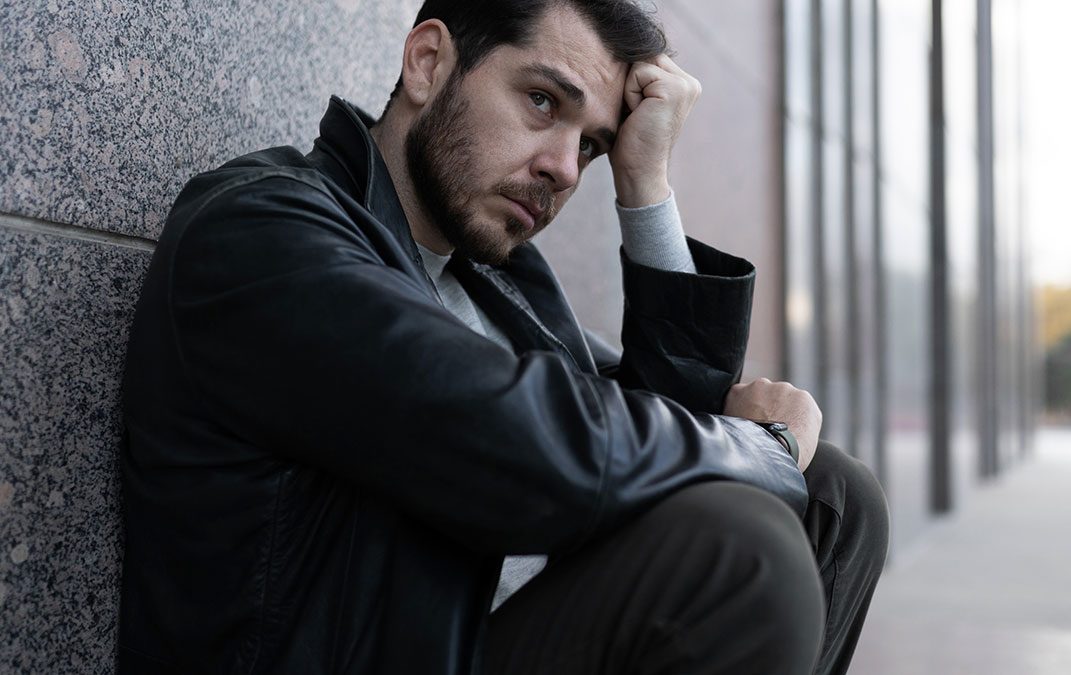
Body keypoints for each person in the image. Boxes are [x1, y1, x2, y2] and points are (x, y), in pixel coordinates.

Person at [117, 0, 889, 673]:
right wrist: (763, 445)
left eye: (590, 145)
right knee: (747, 551)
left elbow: (661, 458)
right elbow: (532, 441)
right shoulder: (263, 232)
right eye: (543, 101)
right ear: (428, 63)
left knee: (835, 497)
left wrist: (645, 184)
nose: (565, 169)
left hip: (475, 639)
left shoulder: (500, 283)